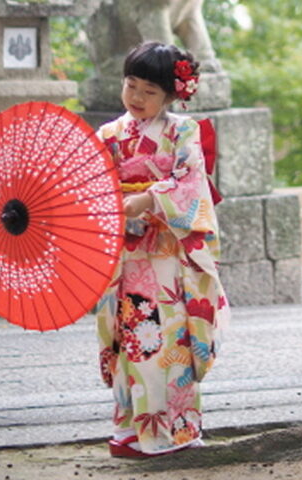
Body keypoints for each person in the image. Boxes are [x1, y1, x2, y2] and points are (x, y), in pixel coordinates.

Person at [95, 40, 229, 459]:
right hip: (124, 257)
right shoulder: (109, 135)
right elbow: (89, 184)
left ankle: (172, 430)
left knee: (162, 339)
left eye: (149, 91)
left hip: (166, 256)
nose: (136, 97)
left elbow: (192, 184)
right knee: (126, 340)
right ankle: (131, 428)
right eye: (130, 85)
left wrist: (148, 200)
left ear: (172, 95)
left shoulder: (182, 132)